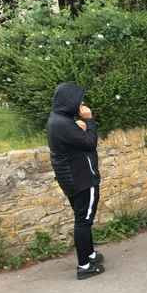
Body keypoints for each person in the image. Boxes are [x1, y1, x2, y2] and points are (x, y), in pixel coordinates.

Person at [47, 82, 105, 280]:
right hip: (82, 179)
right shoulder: (62, 124)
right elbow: (90, 143)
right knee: (84, 221)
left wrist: (78, 125)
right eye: (79, 100)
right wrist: (88, 121)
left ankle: (90, 254)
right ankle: (85, 266)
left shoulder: (58, 120)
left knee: (82, 218)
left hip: (71, 178)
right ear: (69, 101)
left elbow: (74, 141)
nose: (81, 103)